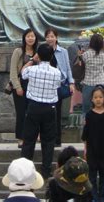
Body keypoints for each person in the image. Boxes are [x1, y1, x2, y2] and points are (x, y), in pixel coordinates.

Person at [21, 43, 62, 179]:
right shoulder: (56, 72)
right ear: (51, 56)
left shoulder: (32, 70)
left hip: (33, 107)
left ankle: (25, 169)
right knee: (48, 141)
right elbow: (57, 85)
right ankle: (46, 170)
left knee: (29, 140)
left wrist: (33, 60)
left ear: (38, 55)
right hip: (50, 108)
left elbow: (23, 73)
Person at [81, 85, 104, 202]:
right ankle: (93, 198)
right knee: (92, 177)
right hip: (92, 149)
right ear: (92, 99)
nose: (98, 99)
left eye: (100, 97)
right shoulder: (89, 115)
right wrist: (85, 148)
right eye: (96, 97)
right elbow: (86, 133)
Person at [45, 28, 75, 147]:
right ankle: (48, 138)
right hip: (46, 86)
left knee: (57, 112)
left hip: (59, 85)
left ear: (56, 38)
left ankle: (57, 139)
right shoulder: (43, 51)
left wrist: (71, 82)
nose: (50, 39)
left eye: (52, 36)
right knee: (47, 113)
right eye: (48, 36)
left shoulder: (62, 51)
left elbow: (67, 67)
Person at [10, 28, 39, 147]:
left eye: (33, 36)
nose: (31, 38)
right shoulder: (18, 51)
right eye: (28, 36)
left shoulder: (38, 52)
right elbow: (12, 71)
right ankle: (21, 138)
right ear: (24, 38)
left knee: (33, 113)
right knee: (21, 113)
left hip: (34, 86)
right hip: (21, 85)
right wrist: (17, 87)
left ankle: (32, 136)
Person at [78, 34, 104, 116]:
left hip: (88, 83)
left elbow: (81, 63)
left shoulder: (86, 54)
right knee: (101, 106)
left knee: (86, 108)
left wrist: (79, 55)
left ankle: (86, 126)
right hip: (101, 82)